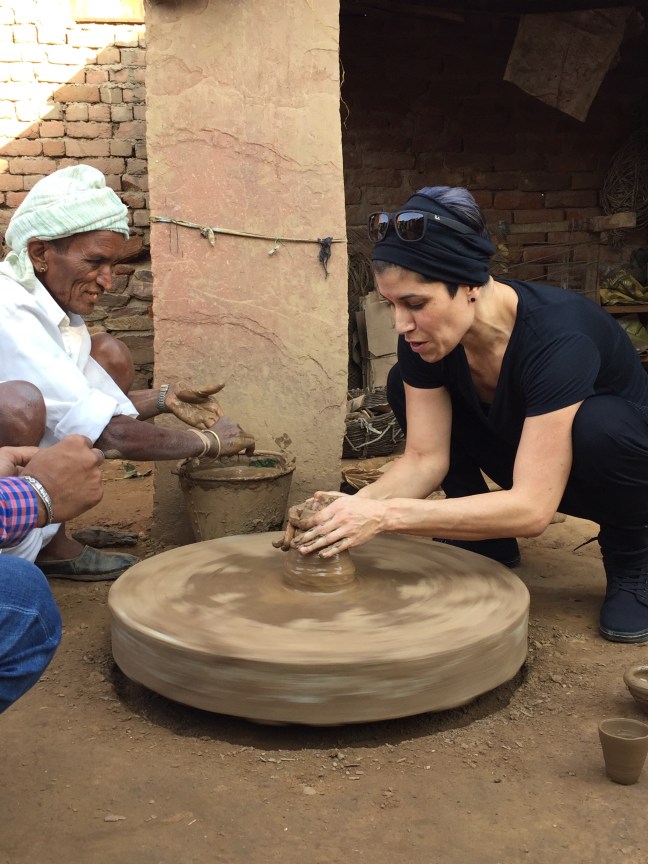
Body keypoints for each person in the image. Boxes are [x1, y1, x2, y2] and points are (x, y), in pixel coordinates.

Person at [280, 185, 648, 645]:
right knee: (403, 383)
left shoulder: (558, 338)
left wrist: (385, 516)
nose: (401, 324)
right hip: (526, 451)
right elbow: (423, 459)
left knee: (600, 425)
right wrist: (349, 511)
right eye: (391, 304)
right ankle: (486, 538)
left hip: (615, 469)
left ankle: (633, 558)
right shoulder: (424, 339)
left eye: (415, 304)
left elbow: (534, 509)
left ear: (471, 285)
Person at [0, 165, 254, 580]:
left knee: (108, 353)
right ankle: (17, 549)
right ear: (40, 252)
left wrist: (165, 398)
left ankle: (53, 541)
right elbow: (107, 430)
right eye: (95, 262)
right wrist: (206, 442)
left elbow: (90, 404)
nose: (108, 281)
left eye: (113, 265)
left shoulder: (53, 303)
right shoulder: (9, 307)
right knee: (19, 405)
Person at [0, 382, 105, 711]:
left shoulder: (72, 332)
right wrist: (34, 496)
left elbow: (107, 400)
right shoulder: (19, 329)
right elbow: (91, 418)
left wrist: (162, 397)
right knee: (23, 595)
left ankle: (47, 544)